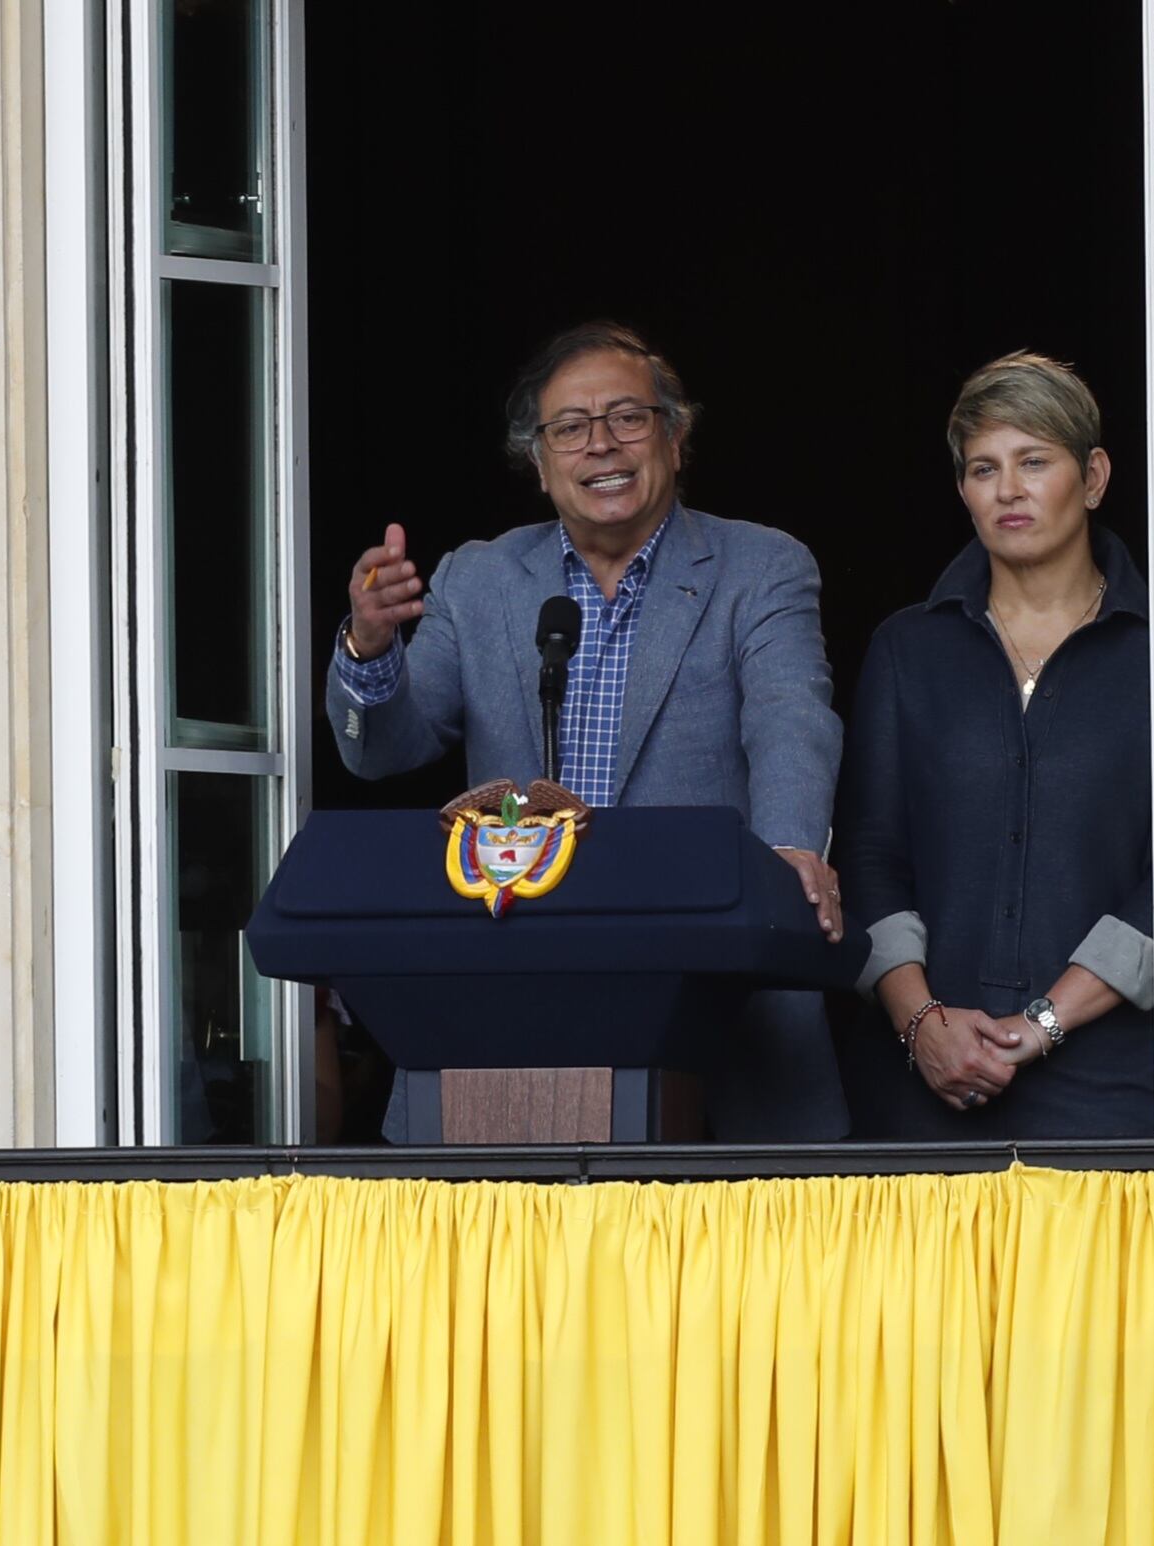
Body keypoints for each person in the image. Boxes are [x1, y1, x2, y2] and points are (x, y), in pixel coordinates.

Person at [326, 321, 849, 1140]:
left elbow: (791, 718)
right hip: (524, 995)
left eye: (628, 419)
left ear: (676, 438)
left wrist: (789, 856)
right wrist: (370, 646)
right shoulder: (481, 577)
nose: (600, 445)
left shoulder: (761, 566)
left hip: (715, 996)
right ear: (538, 463)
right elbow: (387, 748)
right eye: (570, 428)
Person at [832, 351, 1154, 1139]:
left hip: (1109, 1088)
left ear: (1095, 476)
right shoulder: (909, 650)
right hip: (924, 1084)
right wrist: (923, 1024)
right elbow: (870, 855)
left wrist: (1042, 1024)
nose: (1008, 489)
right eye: (984, 468)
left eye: (1034, 461)